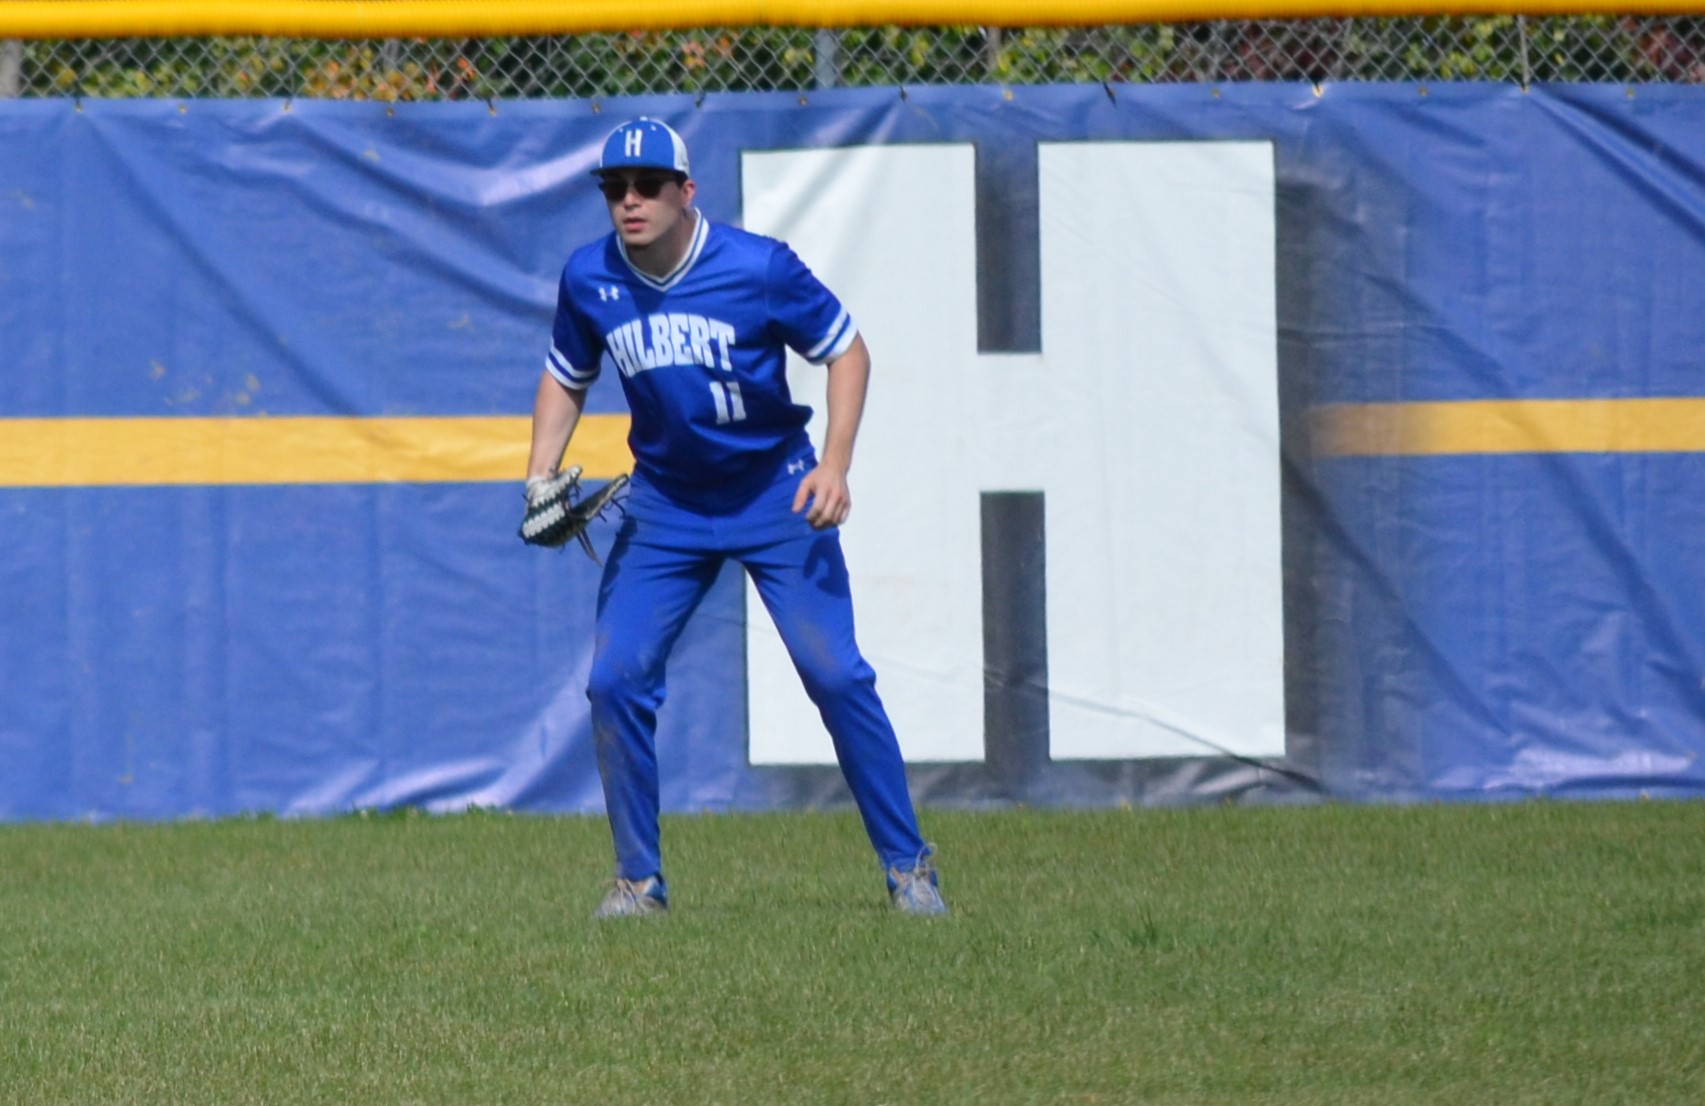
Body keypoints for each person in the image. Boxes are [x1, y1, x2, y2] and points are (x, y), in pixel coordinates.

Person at [523, 118, 948, 919]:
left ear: (687, 192)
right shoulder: (590, 278)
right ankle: (639, 883)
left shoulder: (756, 267)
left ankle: (908, 869)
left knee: (836, 675)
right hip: (667, 504)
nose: (629, 201)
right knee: (615, 680)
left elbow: (845, 350)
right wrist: (538, 470)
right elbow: (565, 375)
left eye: (648, 185)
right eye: (615, 188)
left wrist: (835, 463)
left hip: (774, 492)